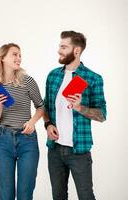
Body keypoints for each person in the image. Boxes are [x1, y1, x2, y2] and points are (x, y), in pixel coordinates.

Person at [43, 30, 107, 200]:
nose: (59, 50)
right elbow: (45, 107)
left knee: (86, 196)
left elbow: (102, 114)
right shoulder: (53, 76)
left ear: (76, 51)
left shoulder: (93, 78)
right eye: (59, 46)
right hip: (55, 150)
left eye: (64, 47)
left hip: (79, 152)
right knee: (58, 196)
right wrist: (48, 124)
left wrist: (80, 108)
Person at [0, 43, 44, 200]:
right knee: (6, 194)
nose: (19, 58)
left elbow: (41, 107)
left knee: (25, 193)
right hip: (4, 141)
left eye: (20, 55)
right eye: (14, 54)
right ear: (2, 58)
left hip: (27, 140)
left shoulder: (27, 81)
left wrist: (32, 121)